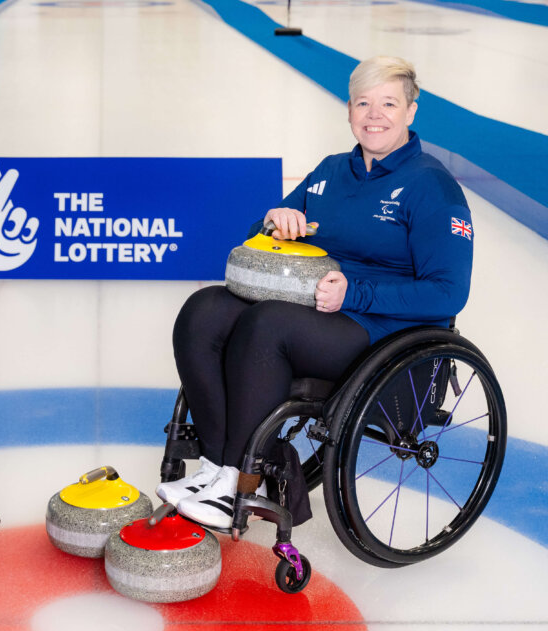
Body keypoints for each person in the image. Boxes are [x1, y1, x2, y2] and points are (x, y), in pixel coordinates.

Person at [157, 56, 473, 529]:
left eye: (388, 103)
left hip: (379, 330)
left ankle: (239, 482)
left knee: (266, 324)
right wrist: (274, 222)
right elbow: (259, 239)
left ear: (411, 111)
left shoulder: (432, 186)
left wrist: (356, 294)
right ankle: (218, 468)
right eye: (363, 103)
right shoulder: (331, 171)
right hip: (315, 309)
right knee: (204, 310)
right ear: (348, 110)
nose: (374, 114)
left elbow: (448, 293)